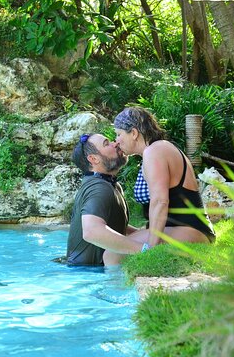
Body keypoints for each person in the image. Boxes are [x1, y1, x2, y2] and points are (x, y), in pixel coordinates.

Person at [114, 107, 216, 250]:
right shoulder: (155, 150)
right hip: (183, 229)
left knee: (111, 254)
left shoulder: (155, 151)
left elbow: (160, 201)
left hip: (191, 230)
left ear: (134, 133)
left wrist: (151, 247)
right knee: (118, 244)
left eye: (118, 134)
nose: (116, 141)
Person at [66, 133, 147, 266]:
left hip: (84, 270)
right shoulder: (98, 188)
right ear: (93, 159)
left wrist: (139, 233)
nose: (115, 143)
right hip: (89, 275)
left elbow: (110, 225)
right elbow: (92, 232)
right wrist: (144, 249)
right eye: (106, 143)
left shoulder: (108, 185)